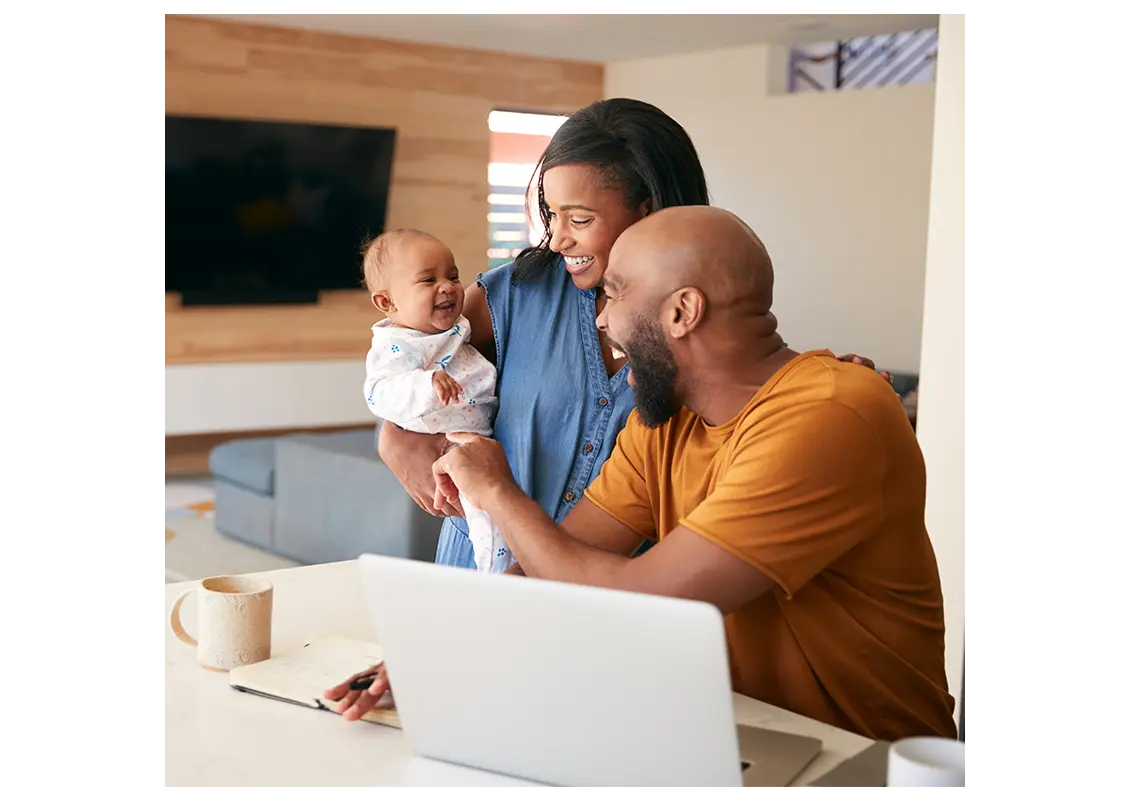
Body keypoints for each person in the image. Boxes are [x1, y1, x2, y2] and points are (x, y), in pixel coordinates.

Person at [327, 206, 955, 742]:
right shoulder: (666, 425)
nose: (600, 319)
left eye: (616, 294)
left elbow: (644, 603)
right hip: (722, 734)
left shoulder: (829, 413)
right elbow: (559, 566)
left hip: (857, 760)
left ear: (683, 312)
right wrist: (439, 652)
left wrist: (495, 488)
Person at [374, 97, 890, 574]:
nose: (555, 238)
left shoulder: (696, 317)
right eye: (550, 214)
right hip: (488, 570)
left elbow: (744, 395)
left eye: (580, 217)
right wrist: (394, 435)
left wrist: (817, 389)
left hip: (626, 583)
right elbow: (408, 359)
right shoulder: (513, 294)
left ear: (647, 207)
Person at [360, 228, 512, 573]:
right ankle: (496, 571)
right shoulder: (396, 345)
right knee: (483, 510)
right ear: (388, 303)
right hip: (448, 443)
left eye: (453, 276)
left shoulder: (452, 329)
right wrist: (426, 383)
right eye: (428, 280)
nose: (447, 286)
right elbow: (379, 392)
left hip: (477, 433)